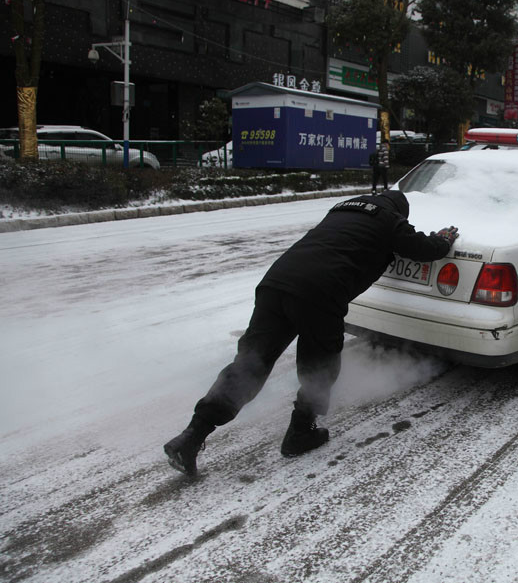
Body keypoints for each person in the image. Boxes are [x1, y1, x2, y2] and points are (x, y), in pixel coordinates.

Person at [163, 190, 459, 476]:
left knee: (250, 365)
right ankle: (301, 433)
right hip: (320, 291)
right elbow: (423, 249)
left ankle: (192, 435)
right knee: (320, 364)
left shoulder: (342, 209)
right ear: (399, 212)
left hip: (276, 284)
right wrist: (443, 239)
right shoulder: (388, 218)